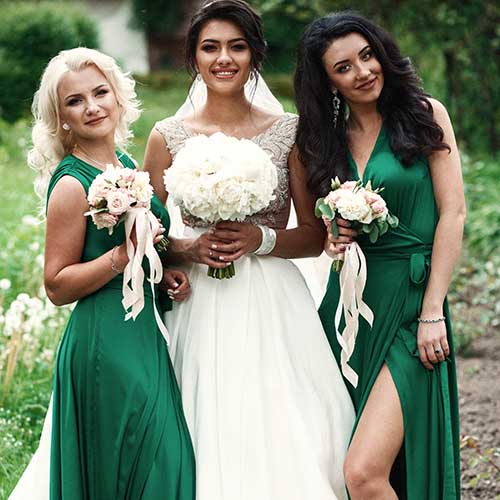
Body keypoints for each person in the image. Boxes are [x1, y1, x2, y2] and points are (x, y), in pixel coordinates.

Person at [143, 1, 355, 499]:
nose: (224, 59)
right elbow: (145, 237)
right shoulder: (166, 137)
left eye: (237, 47)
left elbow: (313, 235)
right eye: (210, 47)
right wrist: (186, 250)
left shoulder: (287, 130)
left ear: (255, 54)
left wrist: (260, 239)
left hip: (273, 300)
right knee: (208, 418)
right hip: (200, 305)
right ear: (193, 57)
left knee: (283, 418)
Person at [10, 47, 195, 499]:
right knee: (146, 464)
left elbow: (146, 245)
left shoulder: (127, 167)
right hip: (105, 343)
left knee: (165, 465)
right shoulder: (72, 184)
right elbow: (55, 285)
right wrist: (120, 259)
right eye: (75, 101)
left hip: (144, 333)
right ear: (62, 119)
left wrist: (162, 268)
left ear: (118, 97)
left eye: (100, 93)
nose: (92, 107)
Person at [294, 12, 465, 500]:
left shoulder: (425, 114)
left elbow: (452, 215)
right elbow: (323, 235)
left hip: (412, 305)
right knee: (342, 463)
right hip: (348, 310)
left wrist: (433, 310)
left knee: (364, 473)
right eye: (344, 67)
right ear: (327, 81)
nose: (363, 71)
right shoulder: (323, 142)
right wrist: (334, 237)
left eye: (367, 56)